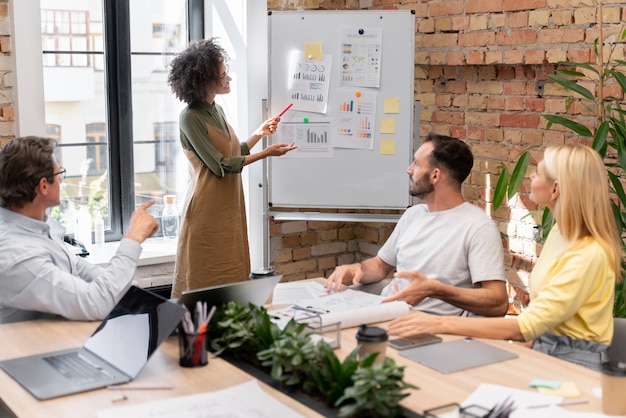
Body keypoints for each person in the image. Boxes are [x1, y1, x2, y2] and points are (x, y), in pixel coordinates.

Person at [388, 144, 622, 371]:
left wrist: (437, 323)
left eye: (538, 173)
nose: (530, 176)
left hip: (576, 364)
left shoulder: (589, 252)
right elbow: (547, 311)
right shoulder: (561, 232)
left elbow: (525, 326)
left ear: (555, 189)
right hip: (543, 348)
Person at [167, 38, 296, 298]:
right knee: (204, 275)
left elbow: (233, 151)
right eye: (223, 75)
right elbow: (221, 165)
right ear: (204, 81)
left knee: (231, 268)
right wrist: (266, 153)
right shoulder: (189, 117)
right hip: (206, 209)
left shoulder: (216, 110)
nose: (229, 79)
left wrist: (259, 134)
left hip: (228, 206)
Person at [326, 133, 508, 317]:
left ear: (435, 175)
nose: (409, 170)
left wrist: (436, 290)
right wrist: (359, 269)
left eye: (416, 164)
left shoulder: (478, 227)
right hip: (384, 312)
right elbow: (381, 265)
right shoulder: (413, 215)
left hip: (427, 327)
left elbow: (498, 302)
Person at [0, 136, 160, 324]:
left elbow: (75, 266)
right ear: (44, 185)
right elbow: (94, 303)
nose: (61, 180)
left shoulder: (37, 226)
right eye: (59, 174)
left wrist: (127, 288)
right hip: (29, 350)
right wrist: (133, 238)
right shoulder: (18, 256)